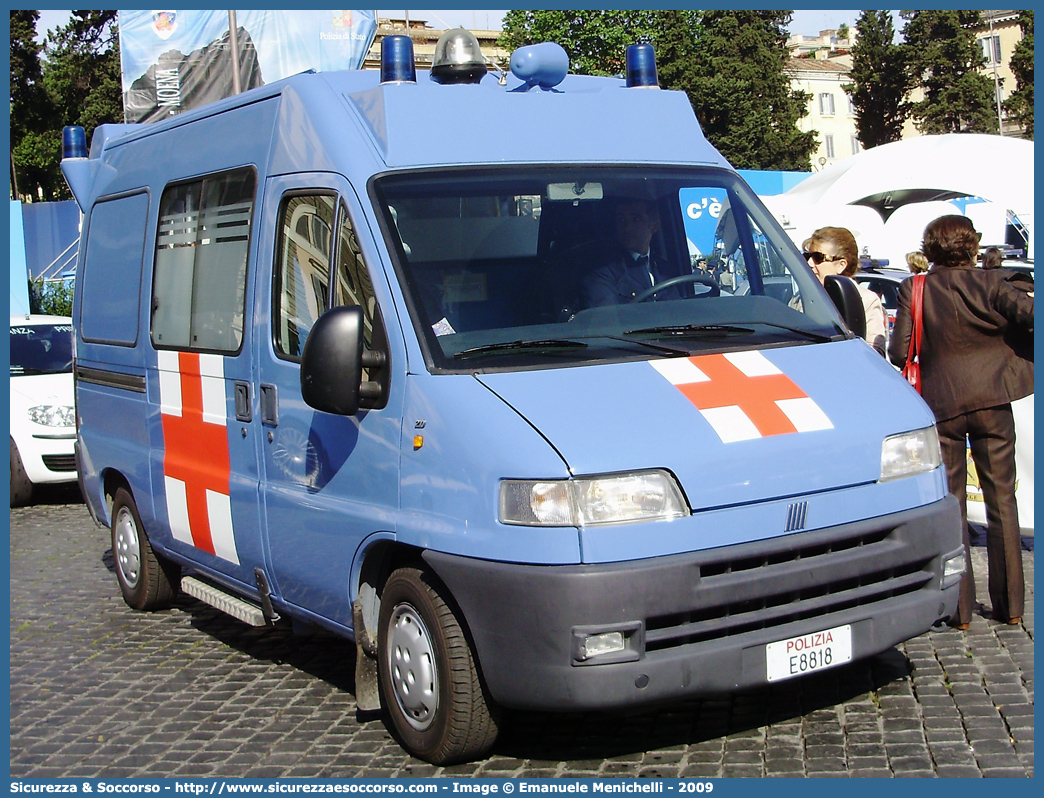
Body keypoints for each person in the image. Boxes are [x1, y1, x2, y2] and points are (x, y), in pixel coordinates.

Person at [888, 215, 1034, 629]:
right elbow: (1030, 314)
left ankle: (960, 610)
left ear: (929, 248)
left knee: (951, 503)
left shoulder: (914, 288)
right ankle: (1011, 608)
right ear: (972, 246)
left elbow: (900, 352)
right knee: (1002, 501)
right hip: (992, 398)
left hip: (941, 402)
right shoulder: (992, 283)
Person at [583, 199, 692, 307]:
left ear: (654, 226)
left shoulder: (665, 270)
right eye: (621, 220)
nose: (627, 227)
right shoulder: (603, 271)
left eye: (636, 219)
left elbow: (677, 311)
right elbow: (607, 319)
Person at [803, 226, 888, 356]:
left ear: (841, 265)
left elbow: (875, 353)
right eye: (807, 256)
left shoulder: (866, 300)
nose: (809, 263)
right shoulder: (801, 299)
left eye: (817, 257)